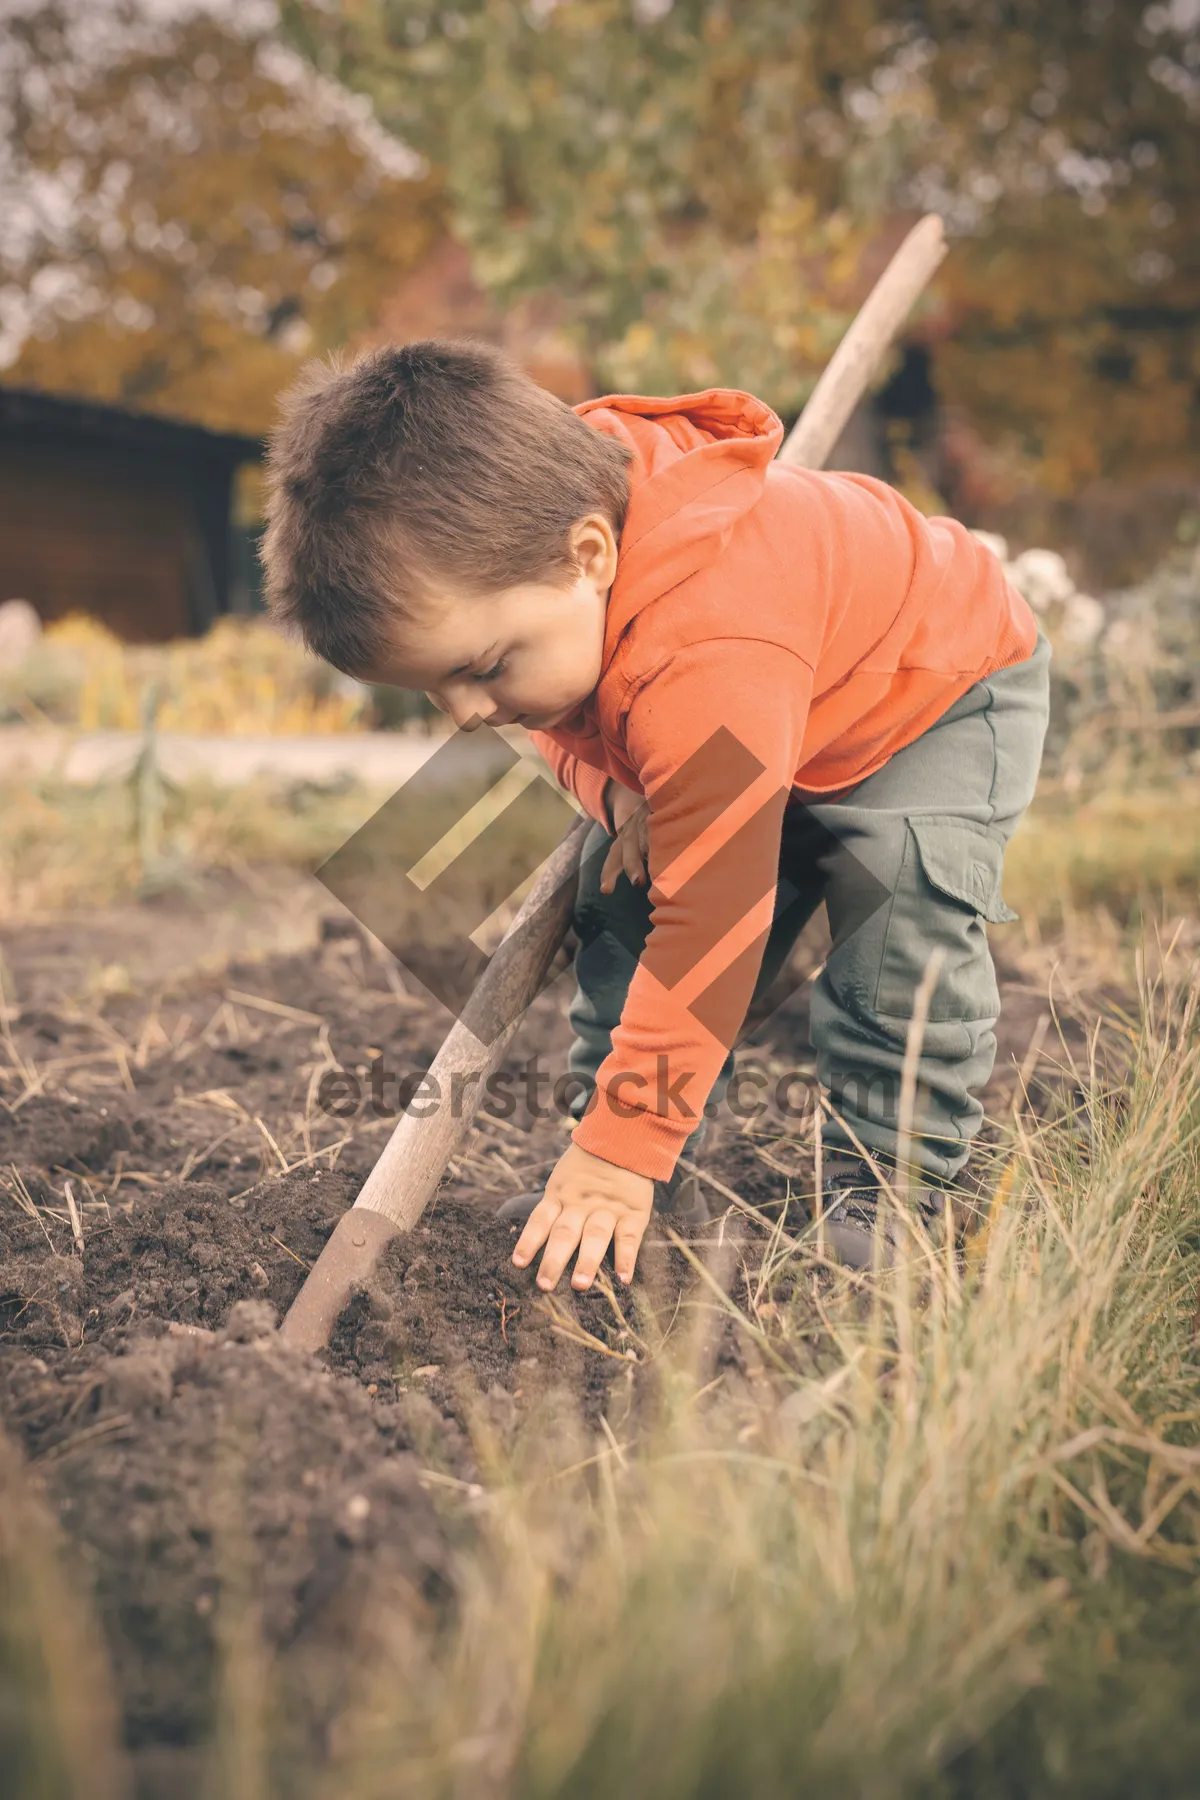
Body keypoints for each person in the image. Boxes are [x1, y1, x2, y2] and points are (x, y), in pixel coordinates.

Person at [260, 339, 1049, 1294]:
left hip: (932, 687)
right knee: (621, 881)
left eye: (481, 670)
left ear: (590, 554)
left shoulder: (704, 648)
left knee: (897, 910)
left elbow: (714, 928)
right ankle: (650, 1174)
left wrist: (618, 1151)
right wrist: (613, 783)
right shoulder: (541, 544)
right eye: (434, 689)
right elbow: (561, 713)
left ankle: (892, 1185)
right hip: (764, 707)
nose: (466, 714)